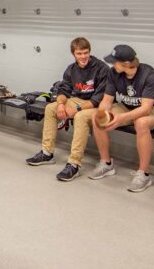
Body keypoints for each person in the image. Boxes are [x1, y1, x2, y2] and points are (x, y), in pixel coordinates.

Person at [26, 37, 111, 182]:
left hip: (97, 105)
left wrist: (77, 108)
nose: (83, 57)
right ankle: (47, 153)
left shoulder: (102, 68)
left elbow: (98, 99)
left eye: (85, 53)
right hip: (77, 100)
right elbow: (63, 90)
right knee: (51, 108)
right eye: (79, 53)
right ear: (74, 54)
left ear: (89, 52)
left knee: (80, 117)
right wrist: (60, 104)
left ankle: (74, 163)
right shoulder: (71, 69)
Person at [91, 44, 154, 192]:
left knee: (141, 123)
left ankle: (144, 174)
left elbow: (146, 108)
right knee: (96, 118)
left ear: (126, 63)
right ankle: (106, 164)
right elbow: (106, 101)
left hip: (152, 110)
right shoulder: (113, 73)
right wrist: (103, 115)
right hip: (125, 107)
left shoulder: (149, 73)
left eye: (114, 61)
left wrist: (119, 118)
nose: (112, 64)